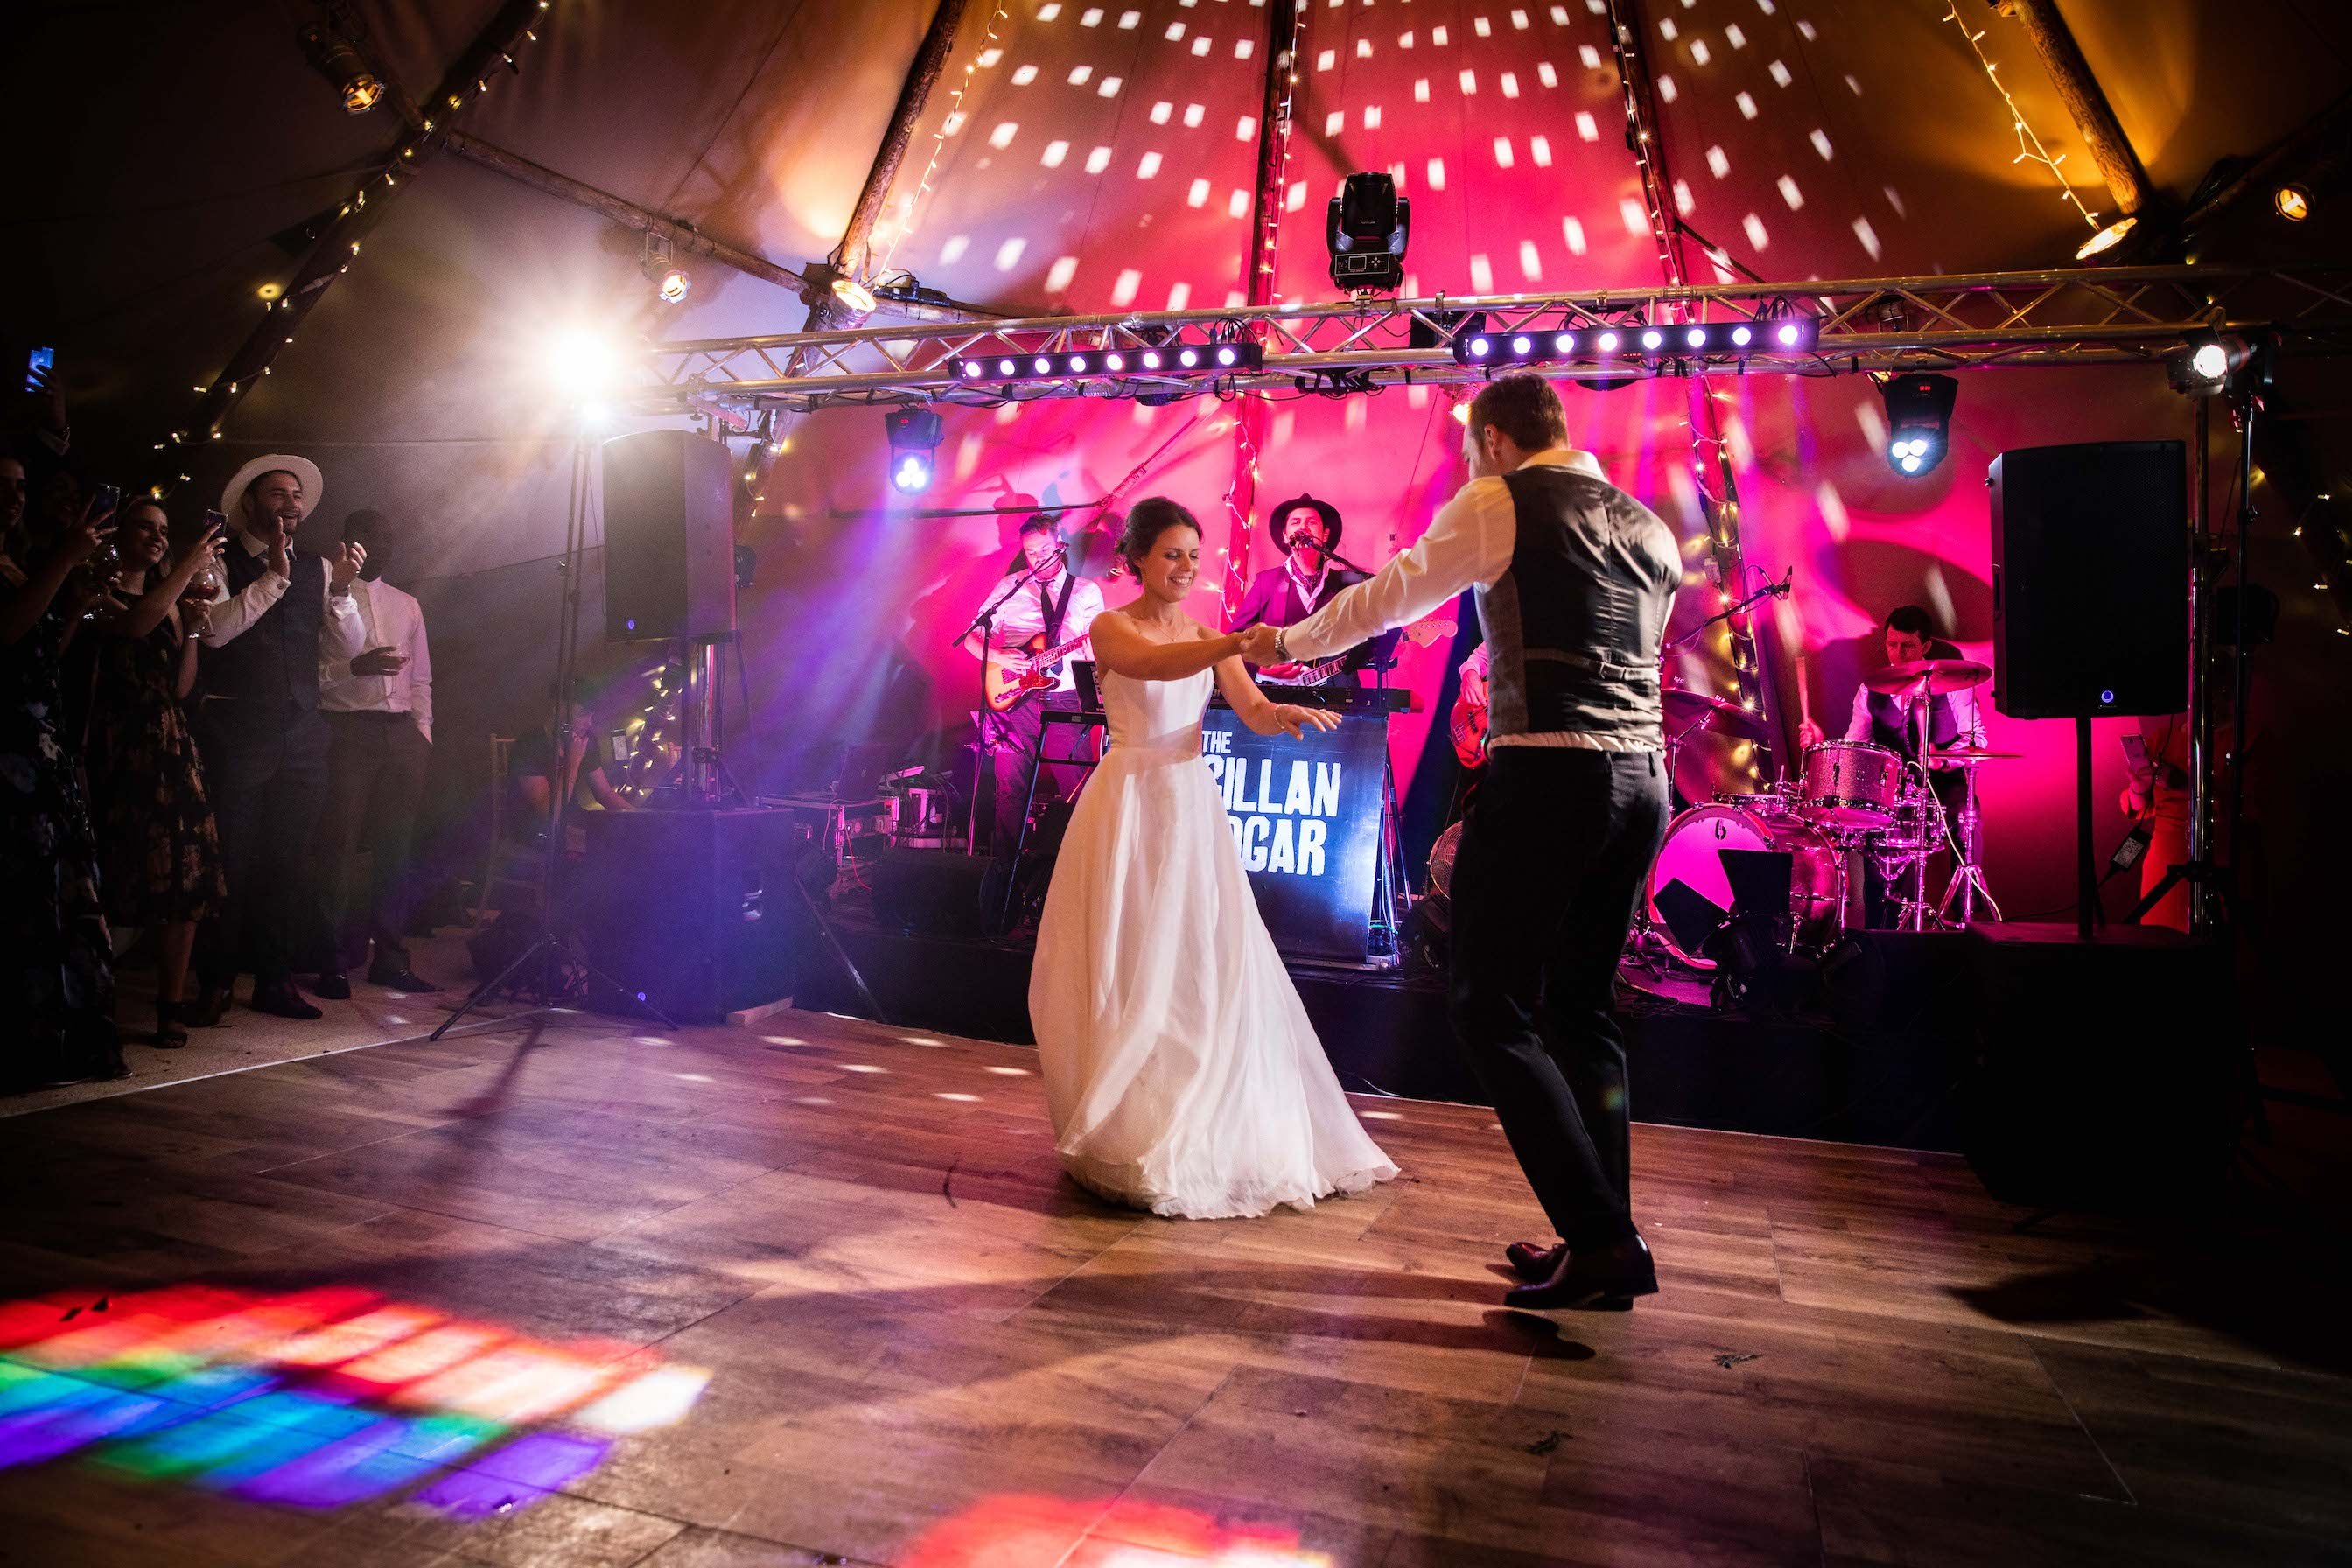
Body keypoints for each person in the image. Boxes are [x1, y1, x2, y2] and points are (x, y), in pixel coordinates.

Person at [1240, 374, 1677, 1309]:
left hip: (1550, 775)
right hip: (1644, 780)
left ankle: (1602, 1236)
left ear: (1490, 440)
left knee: (1487, 1007)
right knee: (1583, 1012)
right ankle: (1601, 1233)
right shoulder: (1649, 523)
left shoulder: (1499, 499)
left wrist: (1280, 642)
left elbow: (1388, 598)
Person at [1028, 497, 1398, 1218]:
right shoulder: (1112, 626)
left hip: (1188, 804)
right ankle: (1123, 1118)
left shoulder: (1207, 634)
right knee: (1125, 952)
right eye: (1172, 554)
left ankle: (1188, 1111)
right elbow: (1158, 665)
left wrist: (1281, 711)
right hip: (1126, 802)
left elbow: (1250, 707)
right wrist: (1236, 642)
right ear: (1137, 558)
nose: (1186, 568)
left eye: (1194, 556)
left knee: (1197, 953)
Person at [192, 454, 367, 1021]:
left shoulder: (316, 567)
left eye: (295, 495)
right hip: (238, 728)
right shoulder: (217, 560)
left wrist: (340, 592)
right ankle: (213, 982)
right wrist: (273, 577)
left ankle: (274, 981)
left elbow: (348, 649)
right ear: (249, 504)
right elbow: (214, 633)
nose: (290, 504)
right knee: (232, 862)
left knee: (288, 863)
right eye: (276, 494)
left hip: (302, 731)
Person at [1, 451, 127, 1088]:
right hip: (6, 748)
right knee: (21, 897)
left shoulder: (17, 559)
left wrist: (75, 602)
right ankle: (21, 1047)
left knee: (59, 892)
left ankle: (63, 1043)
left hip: (43, 739)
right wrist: (64, 562)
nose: (14, 498)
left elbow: (43, 648)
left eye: (19, 487)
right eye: (3, 487)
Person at [86, 500, 229, 1048]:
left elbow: (180, 689)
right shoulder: (99, 591)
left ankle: (170, 1005)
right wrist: (190, 566)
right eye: (145, 527)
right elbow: (131, 627)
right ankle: (95, 995)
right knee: (118, 873)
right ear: (120, 535)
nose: (156, 536)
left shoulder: (170, 604)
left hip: (172, 745)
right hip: (119, 744)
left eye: (165, 530)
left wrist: (191, 628)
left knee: (187, 877)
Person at [1796, 605, 1987, 927]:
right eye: (1892, 644)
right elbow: (1855, 746)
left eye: (1907, 646)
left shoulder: (1954, 684)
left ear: (1925, 646)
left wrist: (1942, 759)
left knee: (1969, 818)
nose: (1897, 653)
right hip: (1895, 794)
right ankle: (1882, 930)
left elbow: (1977, 739)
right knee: (1875, 844)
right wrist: (1820, 741)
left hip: (1945, 788)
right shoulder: (1870, 690)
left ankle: (1967, 919)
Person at [313, 508, 437, 993]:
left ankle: (391, 959)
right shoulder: (326, 595)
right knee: (338, 848)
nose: (377, 544)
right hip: (348, 730)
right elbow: (309, 678)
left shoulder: (408, 604)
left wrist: (422, 734)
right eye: (365, 536)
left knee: (396, 849)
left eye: (384, 535)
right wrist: (354, 669)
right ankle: (332, 961)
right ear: (346, 542)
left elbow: (422, 677)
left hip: (401, 733)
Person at [958, 514, 1106, 857]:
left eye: (1044, 551)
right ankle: (1005, 870)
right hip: (1016, 702)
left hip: (1064, 699)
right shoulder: (1009, 587)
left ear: (1060, 545)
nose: (1038, 559)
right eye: (1030, 553)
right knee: (1010, 787)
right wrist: (999, 656)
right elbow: (971, 639)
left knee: (1077, 784)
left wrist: (1096, 650)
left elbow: (1098, 647)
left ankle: (1078, 864)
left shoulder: (1085, 592)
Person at [1228, 494, 1396, 685]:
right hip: (1275, 698)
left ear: (1325, 534)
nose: (1303, 527)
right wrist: (1261, 671)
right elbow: (1235, 640)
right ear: (1285, 536)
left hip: (1338, 701)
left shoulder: (1348, 583)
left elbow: (1377, 633)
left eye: (1311, 522)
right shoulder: (1266, 582)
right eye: (1295, 522)